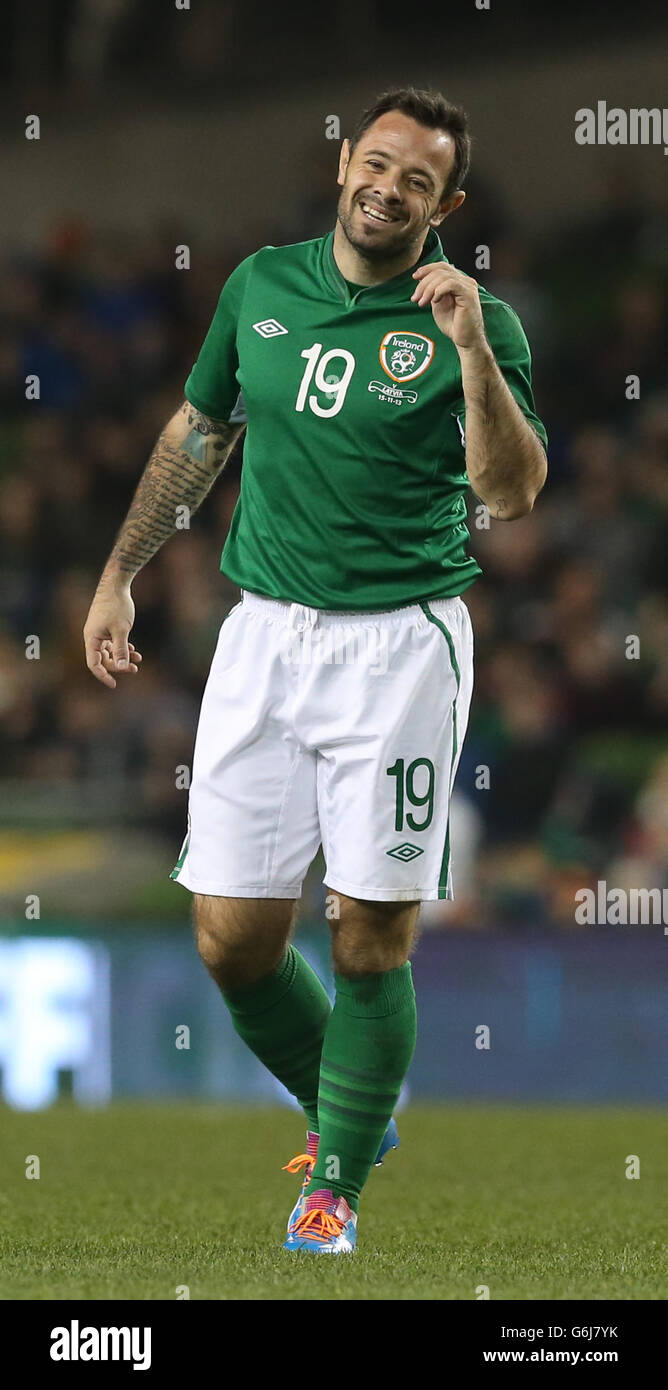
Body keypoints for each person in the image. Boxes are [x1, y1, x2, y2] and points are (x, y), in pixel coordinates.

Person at [83, 86, 547, 1254]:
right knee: (233, 939)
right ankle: (358, 1112)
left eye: (416, 180)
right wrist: (118, 572)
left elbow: (509, 491)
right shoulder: (259, 284)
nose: (388, 189)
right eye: (375, 164)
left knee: (363, 935)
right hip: (265, 636)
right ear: (345, 163)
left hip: (399, 648)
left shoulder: (469, 321)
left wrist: (474, 352)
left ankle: (331, 1183)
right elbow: (199, 434)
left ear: (446, 204)